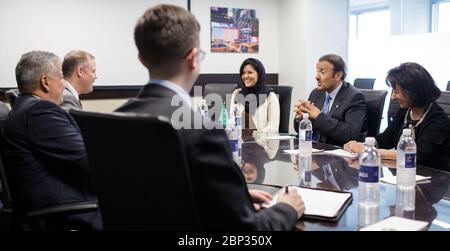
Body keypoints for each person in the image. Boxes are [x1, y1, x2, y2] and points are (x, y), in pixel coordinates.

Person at [115, 4, 304, 230]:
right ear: (193, 58)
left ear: (142, 59)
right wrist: (286, 208)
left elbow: (161, 195)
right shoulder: (202, 130)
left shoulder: (116, 120)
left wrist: (235, 197)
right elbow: (246, 234)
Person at [1, 51, 101, 230]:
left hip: (53, 205)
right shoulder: (40, 112)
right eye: (62, 77)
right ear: (45, 82)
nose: (64, 84)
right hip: (63, 212)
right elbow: (89, 159)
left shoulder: (25, 108)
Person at [344, 62, 450, 172]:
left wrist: (368, 150)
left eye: (397, 92)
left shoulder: (438, 119)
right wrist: (361, 145)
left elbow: (418, 156)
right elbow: (384, 140)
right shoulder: (405, 111)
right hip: (405, 175)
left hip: (434, 181)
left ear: (414, 92)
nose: (393, 97)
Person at [293, 54, 366, 146]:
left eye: (322, 72)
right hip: (313, 149)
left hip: (336, 155)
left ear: (338, 75)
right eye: (317, 71)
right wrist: (301, 118)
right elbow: (301, 130)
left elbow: (351, 134)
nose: (316, 76)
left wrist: (319, 116)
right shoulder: (316, 93)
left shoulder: (354, 97)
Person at [230, 58, 280, 134]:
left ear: (259, 74)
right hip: (239, 142)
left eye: (250, 72)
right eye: (243, 73)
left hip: (262, 143)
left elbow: (273, 127)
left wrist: (253, 137)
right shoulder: (237, 94)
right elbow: (232, 122)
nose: (245, 76)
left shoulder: (270, 96)